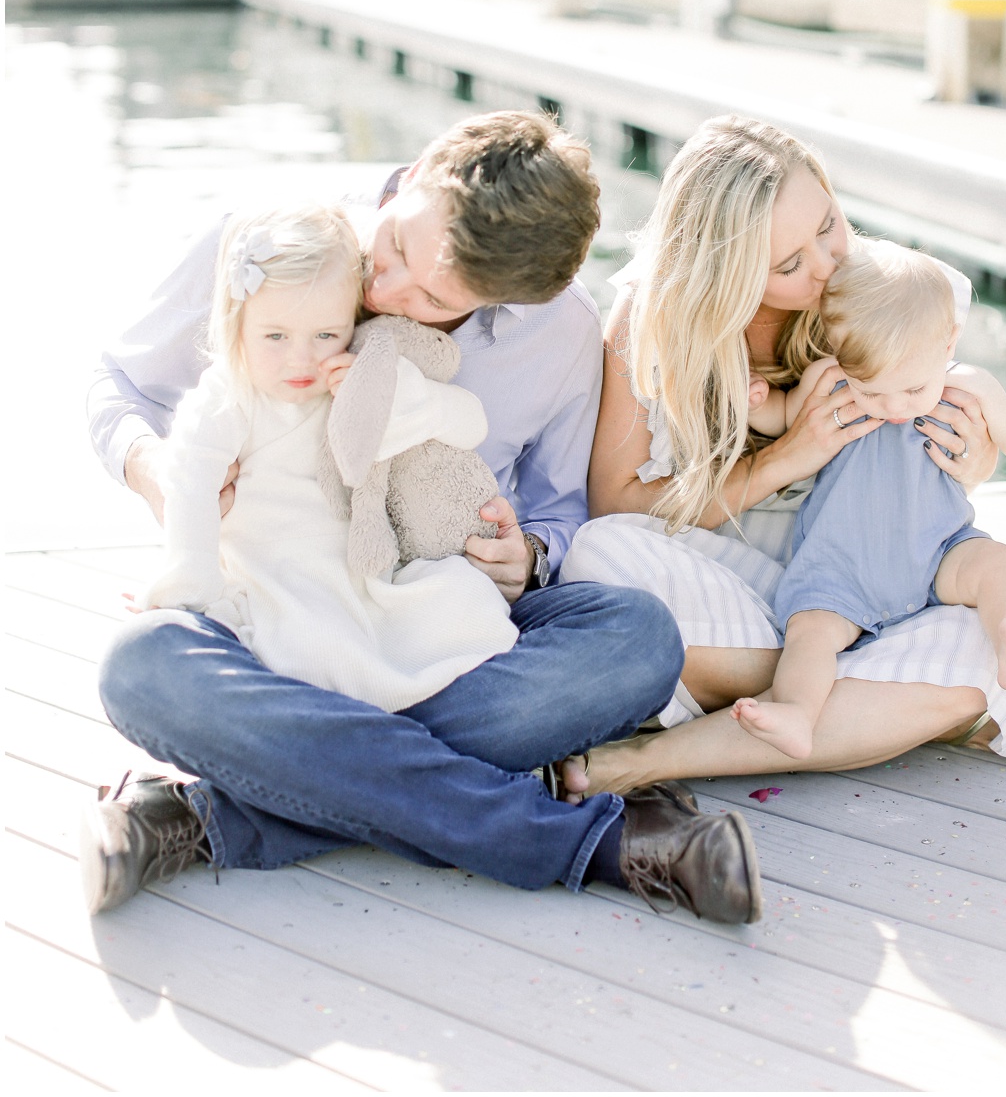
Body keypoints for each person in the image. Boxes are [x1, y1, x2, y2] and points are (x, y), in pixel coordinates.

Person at [82, 111, 762, 925]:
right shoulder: (270, 240)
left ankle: (215, 812)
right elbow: (117, 385)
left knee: (637, 639)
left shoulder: (561, 332)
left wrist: (529, 554)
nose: (387, 291)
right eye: (397, 247)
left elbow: (560, 510)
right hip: (267, 618)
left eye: (435, 298)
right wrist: (158, 473)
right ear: (416, 173)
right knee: (143, 667)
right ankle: (589, 841)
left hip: (440, 627)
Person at [560, 115, 1006, 798]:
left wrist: (971, 458)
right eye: (789, 264)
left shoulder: (885, 290)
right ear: (728, 270)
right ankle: (878, 690)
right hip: (765, 584)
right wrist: (783, 457)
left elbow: (944, 445)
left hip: (886, 576)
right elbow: (616, 503)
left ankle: (678, 748)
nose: (828, 263)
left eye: (828, 225)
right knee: (598, 555)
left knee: (987, 636)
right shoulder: (652, 321)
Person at [138, 202, 519, 710]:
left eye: (325, 334)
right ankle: (365, 726)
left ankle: (366, 731)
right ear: (237, 324)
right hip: (276, 575)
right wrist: (192, 577)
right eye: (275, 336)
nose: (301, 358)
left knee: (462, 602)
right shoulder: (231, 396)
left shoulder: (355, 379)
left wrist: (417, 401)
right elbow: (188, 480)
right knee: (305, 648)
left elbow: (471, 422)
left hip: (362, 573)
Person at [729, 240, 1006, 760]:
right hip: (843, 562)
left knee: (997, 561)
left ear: (949, 342)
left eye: (912, 392)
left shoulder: (969, 387)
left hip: (938, 551)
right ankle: (798, 713)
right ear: (840, 353)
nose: (891, 407)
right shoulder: (831, 379)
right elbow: (785, 421)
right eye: (872, 391)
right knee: (811, 633)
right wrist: (758, 403)